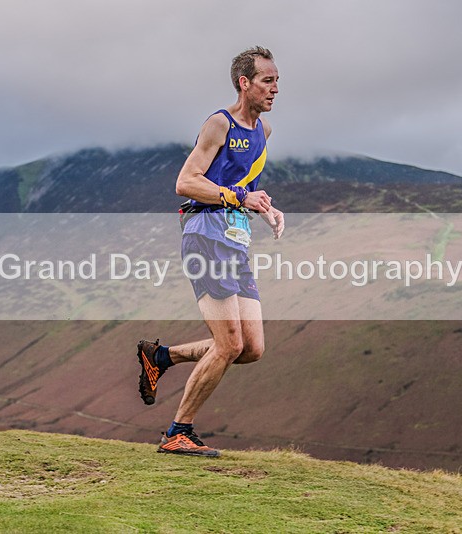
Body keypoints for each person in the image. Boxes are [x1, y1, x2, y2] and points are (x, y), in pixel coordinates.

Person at [136, 46, 284, 457]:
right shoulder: (219, 124)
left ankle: (161, 356)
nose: (275, 89)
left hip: (234, 240)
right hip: (204, 233)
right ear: (244, 83)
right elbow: (186, 182)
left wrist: (265, 206)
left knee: (250, 347)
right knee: (229, 343)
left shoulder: (264, 133)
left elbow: (243, 188)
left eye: (277, 82)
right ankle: (177, 432)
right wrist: (240, 198)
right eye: (267, 81)